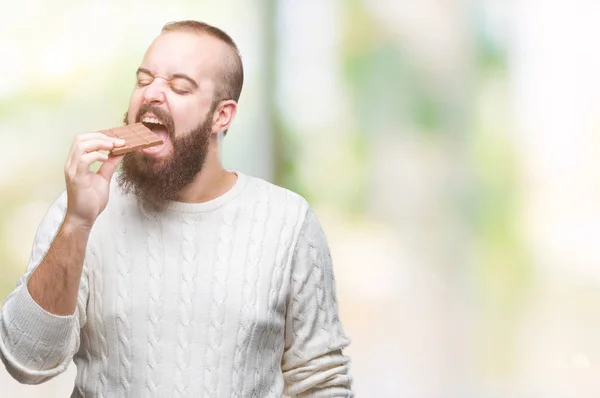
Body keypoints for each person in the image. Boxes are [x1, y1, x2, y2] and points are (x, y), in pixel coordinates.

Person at [0, 20, 353, 397]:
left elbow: (321, 382)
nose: (151, 93)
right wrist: (77, 222)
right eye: (143, 79)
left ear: (222, 116)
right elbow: (27, 360)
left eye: (179, 86)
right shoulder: (82, 209)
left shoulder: (288, 221)